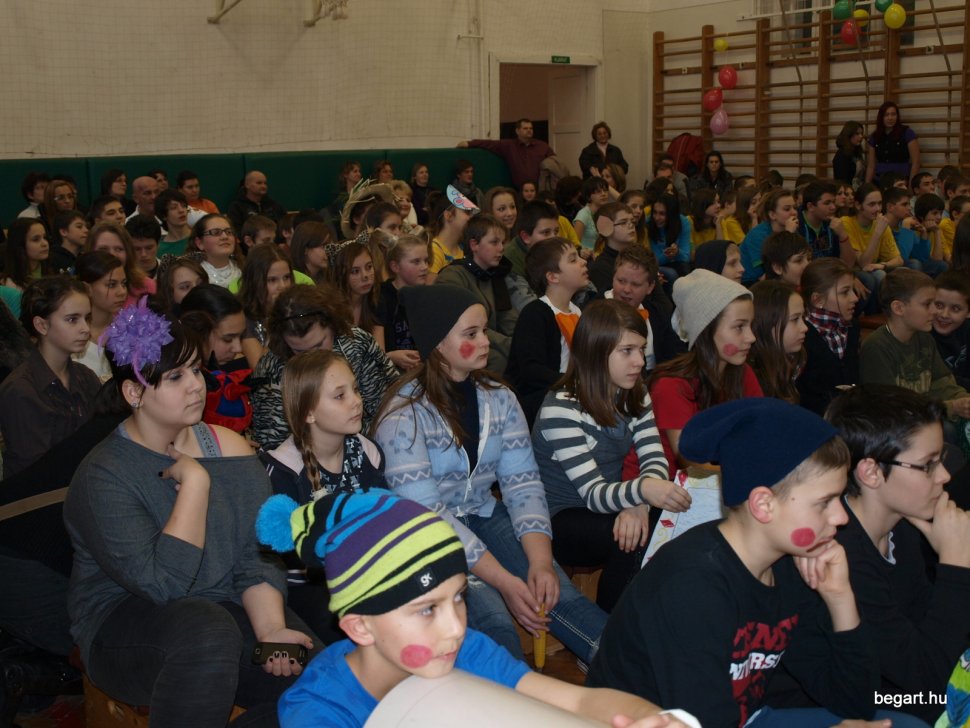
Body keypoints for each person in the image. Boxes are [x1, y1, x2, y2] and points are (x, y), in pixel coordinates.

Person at [63, 303, 316, 726]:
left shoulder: (230, 449)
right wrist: (195, 487)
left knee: (321, 678)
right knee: (208, 631)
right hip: (126, 625)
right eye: (176, 376)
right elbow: (164, 584)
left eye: (196, 370)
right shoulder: (103, 475)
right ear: (134, 393)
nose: (197, 385)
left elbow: (255, 556)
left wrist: (272, 629)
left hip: (227, 609)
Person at [259, 489, 696, 728]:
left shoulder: (466, 651)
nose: (455, 627)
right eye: (427, 609)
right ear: (360, 627)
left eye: (458, 598)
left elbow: (577, 700)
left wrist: (647, 717)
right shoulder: (319, 710)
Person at [586, 397, 888, 728]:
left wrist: (840, 598)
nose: (841, 517)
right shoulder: (692, 585)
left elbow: (854, 701)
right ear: (763, 505)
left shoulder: (787, 565)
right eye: (825, 502)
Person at [373, 285, 608, 665]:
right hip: (425, 534)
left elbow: (522, 483)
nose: (486, 341)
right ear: (437, 344)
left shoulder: (498, 397)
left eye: (484, 330)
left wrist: (540, 562)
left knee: (557, 593)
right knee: (493, 620)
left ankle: (632, 671)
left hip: (482, 511)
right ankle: (509, 694)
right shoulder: (403, 415)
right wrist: (504, 581)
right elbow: (429, 514)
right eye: (471, 334)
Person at [827, 385, 970, 724]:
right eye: (928, 465)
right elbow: (921, 679)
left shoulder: (901, 528)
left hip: (922, 686)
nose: (945, 476)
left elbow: (934, 633)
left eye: (941, 460)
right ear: (871, 472)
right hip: (877, 702)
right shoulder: (842, 557)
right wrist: (956, 568)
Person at [532, 300, 686, 612]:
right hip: (558, 518)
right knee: (636, 537)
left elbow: (654, 458)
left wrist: (638, 504)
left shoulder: (634, 393)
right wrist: (642, 492)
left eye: (641, 349)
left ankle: (641, 621)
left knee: (664, 525)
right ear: (596, 352)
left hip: (609, 504)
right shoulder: (561, 408)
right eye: (627, 351)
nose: (639, 361)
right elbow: (592, 494)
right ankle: (606, 631)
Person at [260, 350, 386, 645]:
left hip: (363, 569)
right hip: (308, 587)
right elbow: (285, 556)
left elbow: (382, 518)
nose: (356, 400)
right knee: (363, 631)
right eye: (340, 396)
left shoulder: (367, 452)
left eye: (355, 389)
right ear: (308, 413)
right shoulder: (283, 470)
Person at [251, 284, 398, 449]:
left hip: (374, 444)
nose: (312, 357)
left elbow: (389, 406)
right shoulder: (271, 371)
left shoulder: (357, 344)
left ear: (332, 326)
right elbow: (273, 444)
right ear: (284, 341)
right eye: (299, 351)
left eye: (319, 345)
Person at [649, 269, 763, 476]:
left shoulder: (742, 373)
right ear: (706, 331)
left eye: (750, 326)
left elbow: (759, 432)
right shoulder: (671, 386)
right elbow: (690, 462)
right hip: (668, 488)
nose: (751, 337)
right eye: (739, 327)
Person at [0, 277, 100, 478]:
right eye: (72, 319)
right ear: (41, 325)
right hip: (37, 492)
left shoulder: (86, 377)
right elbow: (33, 471)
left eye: (87, 318)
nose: (86, 329)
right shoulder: (20, 389)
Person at [860, 269, 970, 429]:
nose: (935, 311)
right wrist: (951, 407)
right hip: (895, 427)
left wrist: (964, 400)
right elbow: (890, 408)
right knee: (946, 429)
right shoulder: (876, 347)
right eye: (927, 304)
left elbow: (943, 384)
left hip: (925, 415)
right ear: (899, 308)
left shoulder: (925, 339)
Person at [506, 238, 589, 426]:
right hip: (540, 403)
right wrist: (575, 384)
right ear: (553, 277)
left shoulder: (577, 311)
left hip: (571, 394)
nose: (583, 261)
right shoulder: (535, 313)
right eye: (573, 259)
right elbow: (531, 370)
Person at [435, 214, 518, 375]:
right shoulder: (452, 276)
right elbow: (464, 327)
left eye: (502, 242)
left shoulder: (495, 274)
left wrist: (525, 340)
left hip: (486, 343)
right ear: (474, 244)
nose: (501, 248)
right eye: (494, 242)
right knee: (498, 360)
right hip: (461, 347)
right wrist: (512, 345)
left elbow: (508, 319)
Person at [796, 258, 861, 416]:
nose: (855, 298)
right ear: (818, 299)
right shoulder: (802, 335)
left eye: (853, 290)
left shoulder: (852, 327)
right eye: (845, 292)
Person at [608, 247, 686, 372]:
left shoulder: (656, 313)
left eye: (635, 284)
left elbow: (676, 353)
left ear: (650, 287)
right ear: (613, 277)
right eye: (621, 281)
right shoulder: (595, 314)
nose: (626, 289)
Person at [377, 234, 430, 371]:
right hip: (392, 372)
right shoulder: (381, 296)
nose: (424, 267)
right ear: (395, 267)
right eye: (416, 262)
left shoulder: (427, 295)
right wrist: (392, 357)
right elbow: (377, 353)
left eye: (426, 260)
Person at [749, 280, 807, 403]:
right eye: (795, 319)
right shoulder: (753, 378)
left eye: (803, 317)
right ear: (767, 323)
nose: (805, 327)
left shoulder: (797, 361)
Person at [237, 243, 294, 367]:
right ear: (254, 281)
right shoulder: (243, 316)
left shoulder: (296, 307)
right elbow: (260, 367)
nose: (283, 286)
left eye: (286, 277)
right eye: (272, 280)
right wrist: (277, 317)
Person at [74, 250, 128, 381]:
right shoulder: (71, 335)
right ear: (87, 288)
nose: (122, 292)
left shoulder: (130, 329)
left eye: (124, 284)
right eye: (111, 285)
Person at [459, 118, 555, 188]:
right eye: (525, 128)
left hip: (539, 189)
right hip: (519, 190)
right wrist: (469, 143)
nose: (529, 130)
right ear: (517, 131)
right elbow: (489, 143)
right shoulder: (509, 146)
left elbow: (554, 162)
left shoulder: (542, 146)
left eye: (531, 128)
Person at [505, 200, 561, 311]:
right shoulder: (510, 262)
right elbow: (530, 309)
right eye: (546, 233)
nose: (554, 238)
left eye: (556, 231)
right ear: (526, 237)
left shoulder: (555, 250)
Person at [87, 221, 156, 305]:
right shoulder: (77, 290)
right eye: (103, 249)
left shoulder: (147, 286)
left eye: (118, 249)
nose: (112, 255)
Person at [740, 188, 800, 284]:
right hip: (753, 284)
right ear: (772, 215)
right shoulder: (757, 236)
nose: (794, 212)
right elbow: (766, 276)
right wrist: (788, 235)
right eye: (787, 209)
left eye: (795, 207)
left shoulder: (792, 230)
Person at [931, 271, 970, 390]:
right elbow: (941, 381)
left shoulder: (967, 329)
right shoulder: (923, 337)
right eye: (939, 305)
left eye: (955, 308)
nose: (944, 315)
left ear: (968, 313)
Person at [588, 202, 637, 294]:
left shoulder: (639, 257)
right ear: (605, 229)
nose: (631, 225)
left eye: (632, 221)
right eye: (623, 222)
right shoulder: (601, 268)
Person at [866, 101, 920, 184]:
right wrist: (867, 185)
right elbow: (871, 166)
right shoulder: (875, 136)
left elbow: (916, 162)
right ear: (881, 117)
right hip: (880, 180)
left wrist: (911, 185)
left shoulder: (907, 133)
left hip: (901, 179)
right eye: (886, 115)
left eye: (893, 114)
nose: (890, 118)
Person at [428, 187, 478, 277]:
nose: (471, 217)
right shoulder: (434, 251)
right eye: (467, 212)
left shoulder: (463, 249)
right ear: (448, 216)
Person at [645, 193, 692, 284]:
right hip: (655, 265)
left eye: (662, 214)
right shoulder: (648, 223)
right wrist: (667, 256)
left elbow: (686, 257)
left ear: (671, 214)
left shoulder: (683, 222)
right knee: (672, 273)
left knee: (685, 269)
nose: (657, 218)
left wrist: (677, 252)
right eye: (654, 212)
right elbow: (653, 261)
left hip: (678, 263)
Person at [190, 213, 243, 289]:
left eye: (229, 232)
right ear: (200, 243)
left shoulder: (245, 269)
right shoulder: (193, 276)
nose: (225, 236)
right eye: (215, 232)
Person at [2, 218, 50, 291]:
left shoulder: (52, 266)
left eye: (45, 237)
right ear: (20, 245)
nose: (45, 243)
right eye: (36, 239)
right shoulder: (11, 285)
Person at [573, 176, 611, 251]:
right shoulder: (583, 214)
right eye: (598, 192)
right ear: (589, 196)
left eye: (605, 190)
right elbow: (575, 244)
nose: (603, 194)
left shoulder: (608, 212)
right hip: (587, 255)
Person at [288, 221, 331, 285]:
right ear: (305, 249)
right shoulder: (292, 281)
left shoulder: (328, 277)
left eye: (330, 246)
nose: (329, 251)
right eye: (323, 246)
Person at [49, 209, 89, 275]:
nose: (86, 230)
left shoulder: (85, 258)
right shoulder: (52, 259)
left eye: (86, 227)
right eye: (79, 227)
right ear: (64, 232)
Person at [156, 188, 194, 257]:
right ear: (164, 215)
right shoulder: (159, 249)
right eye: (173, 208)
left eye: (183, 206)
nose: (181, 210)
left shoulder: (200, 238)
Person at [126, 214, 163, 280]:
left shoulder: (170, 273)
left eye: (149, 248)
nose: (143, 254)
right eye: (137, 249)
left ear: (158, 244)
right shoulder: (122, 275)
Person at [833, 121, 866, 187]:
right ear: (848, 134)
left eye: (861, 133)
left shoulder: (856, 152)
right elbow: (842, 180)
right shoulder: (841, 154)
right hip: (847, 190)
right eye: (857, 134)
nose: (861, 136)